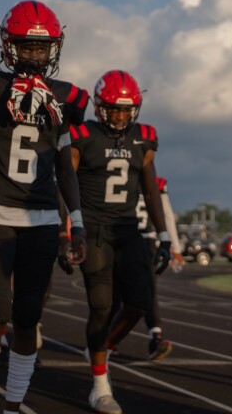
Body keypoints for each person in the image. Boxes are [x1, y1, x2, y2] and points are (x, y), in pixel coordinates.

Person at [0, 0, 89, 414]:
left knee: (27, 318)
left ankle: (14, 405)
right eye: (27, 46)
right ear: (9, 46)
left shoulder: (63, 99)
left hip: (41, 219)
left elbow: (65, 168)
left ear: (54, 49)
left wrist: (76, 224)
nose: (35, 55)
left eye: (41, 47)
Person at [69, 69, 172, 413]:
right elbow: (64, 182)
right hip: (94, 229)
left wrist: (164, 236)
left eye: (126, 110)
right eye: (114, 109)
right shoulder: (82, 136)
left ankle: (102, 349)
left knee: (139, 304)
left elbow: (150, 188)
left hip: (128, 229)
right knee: (101, 306)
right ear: (100, 107)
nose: (120, 116)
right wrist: (67, 230)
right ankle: (100, 386)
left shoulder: (143, 138)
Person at [136, 176, 183, 361]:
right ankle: (155, 335)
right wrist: (176, 248)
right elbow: (167, 216)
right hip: (145, 241)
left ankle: (108, 338)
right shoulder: (154, 181)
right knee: (148, 291)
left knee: (118, 291)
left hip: (123, 238)